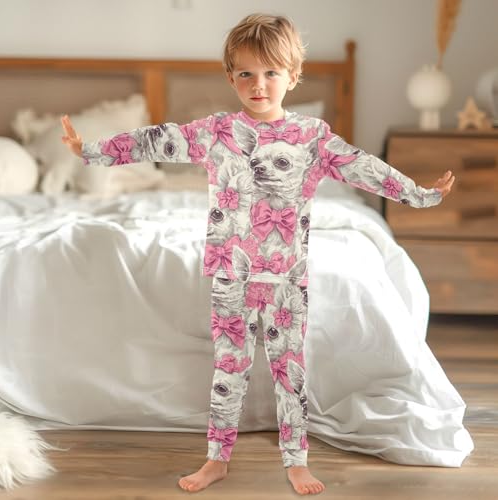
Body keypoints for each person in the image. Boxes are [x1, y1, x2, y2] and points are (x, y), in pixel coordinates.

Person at [60, 13, 454, 496]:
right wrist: (91, 151)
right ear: (231, 77)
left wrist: (420, 194)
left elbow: (364, 168)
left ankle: (296, 461)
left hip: (286, 276)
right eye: (245, 73)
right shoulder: (217, 132)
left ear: (293, 75)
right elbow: (157, 139)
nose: (258, 84)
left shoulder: (312, 138)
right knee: (228, 369)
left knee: (290, 371)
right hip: (232, 273)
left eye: (270, 72)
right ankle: (216, 459)